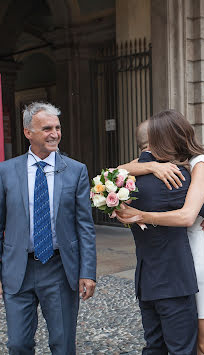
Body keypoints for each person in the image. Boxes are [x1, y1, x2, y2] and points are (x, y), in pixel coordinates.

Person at [116, 110, 204, 355]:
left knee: (174, 345)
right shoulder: (177, 176)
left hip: (163, 273)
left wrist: (140, 212)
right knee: (189, 346)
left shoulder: (120, 184)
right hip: (177, 274)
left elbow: (110, 173)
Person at [0, 102, 96, 354]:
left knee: (62, 345)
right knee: (18, 344)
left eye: (57, 127)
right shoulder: (6, 172)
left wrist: (88, 271)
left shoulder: (76, 171)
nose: (54, 134)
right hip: (17, 268)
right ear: (28, 132)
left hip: (59, 268)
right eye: (47, 128)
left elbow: (84, 225)